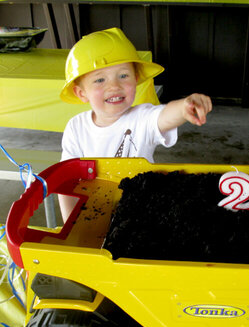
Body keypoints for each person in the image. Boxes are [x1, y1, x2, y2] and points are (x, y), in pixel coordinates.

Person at [58, 27, 212, 220]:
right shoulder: (76, 128)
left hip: (142, 211)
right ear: (81, 93)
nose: (114, 86)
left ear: (136, 78)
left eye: (123, 76)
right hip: (93, 214)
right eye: (99, 80)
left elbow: (163, 116)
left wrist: (183, 107)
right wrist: (71, 224)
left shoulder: (141, 118)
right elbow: (66, 179)